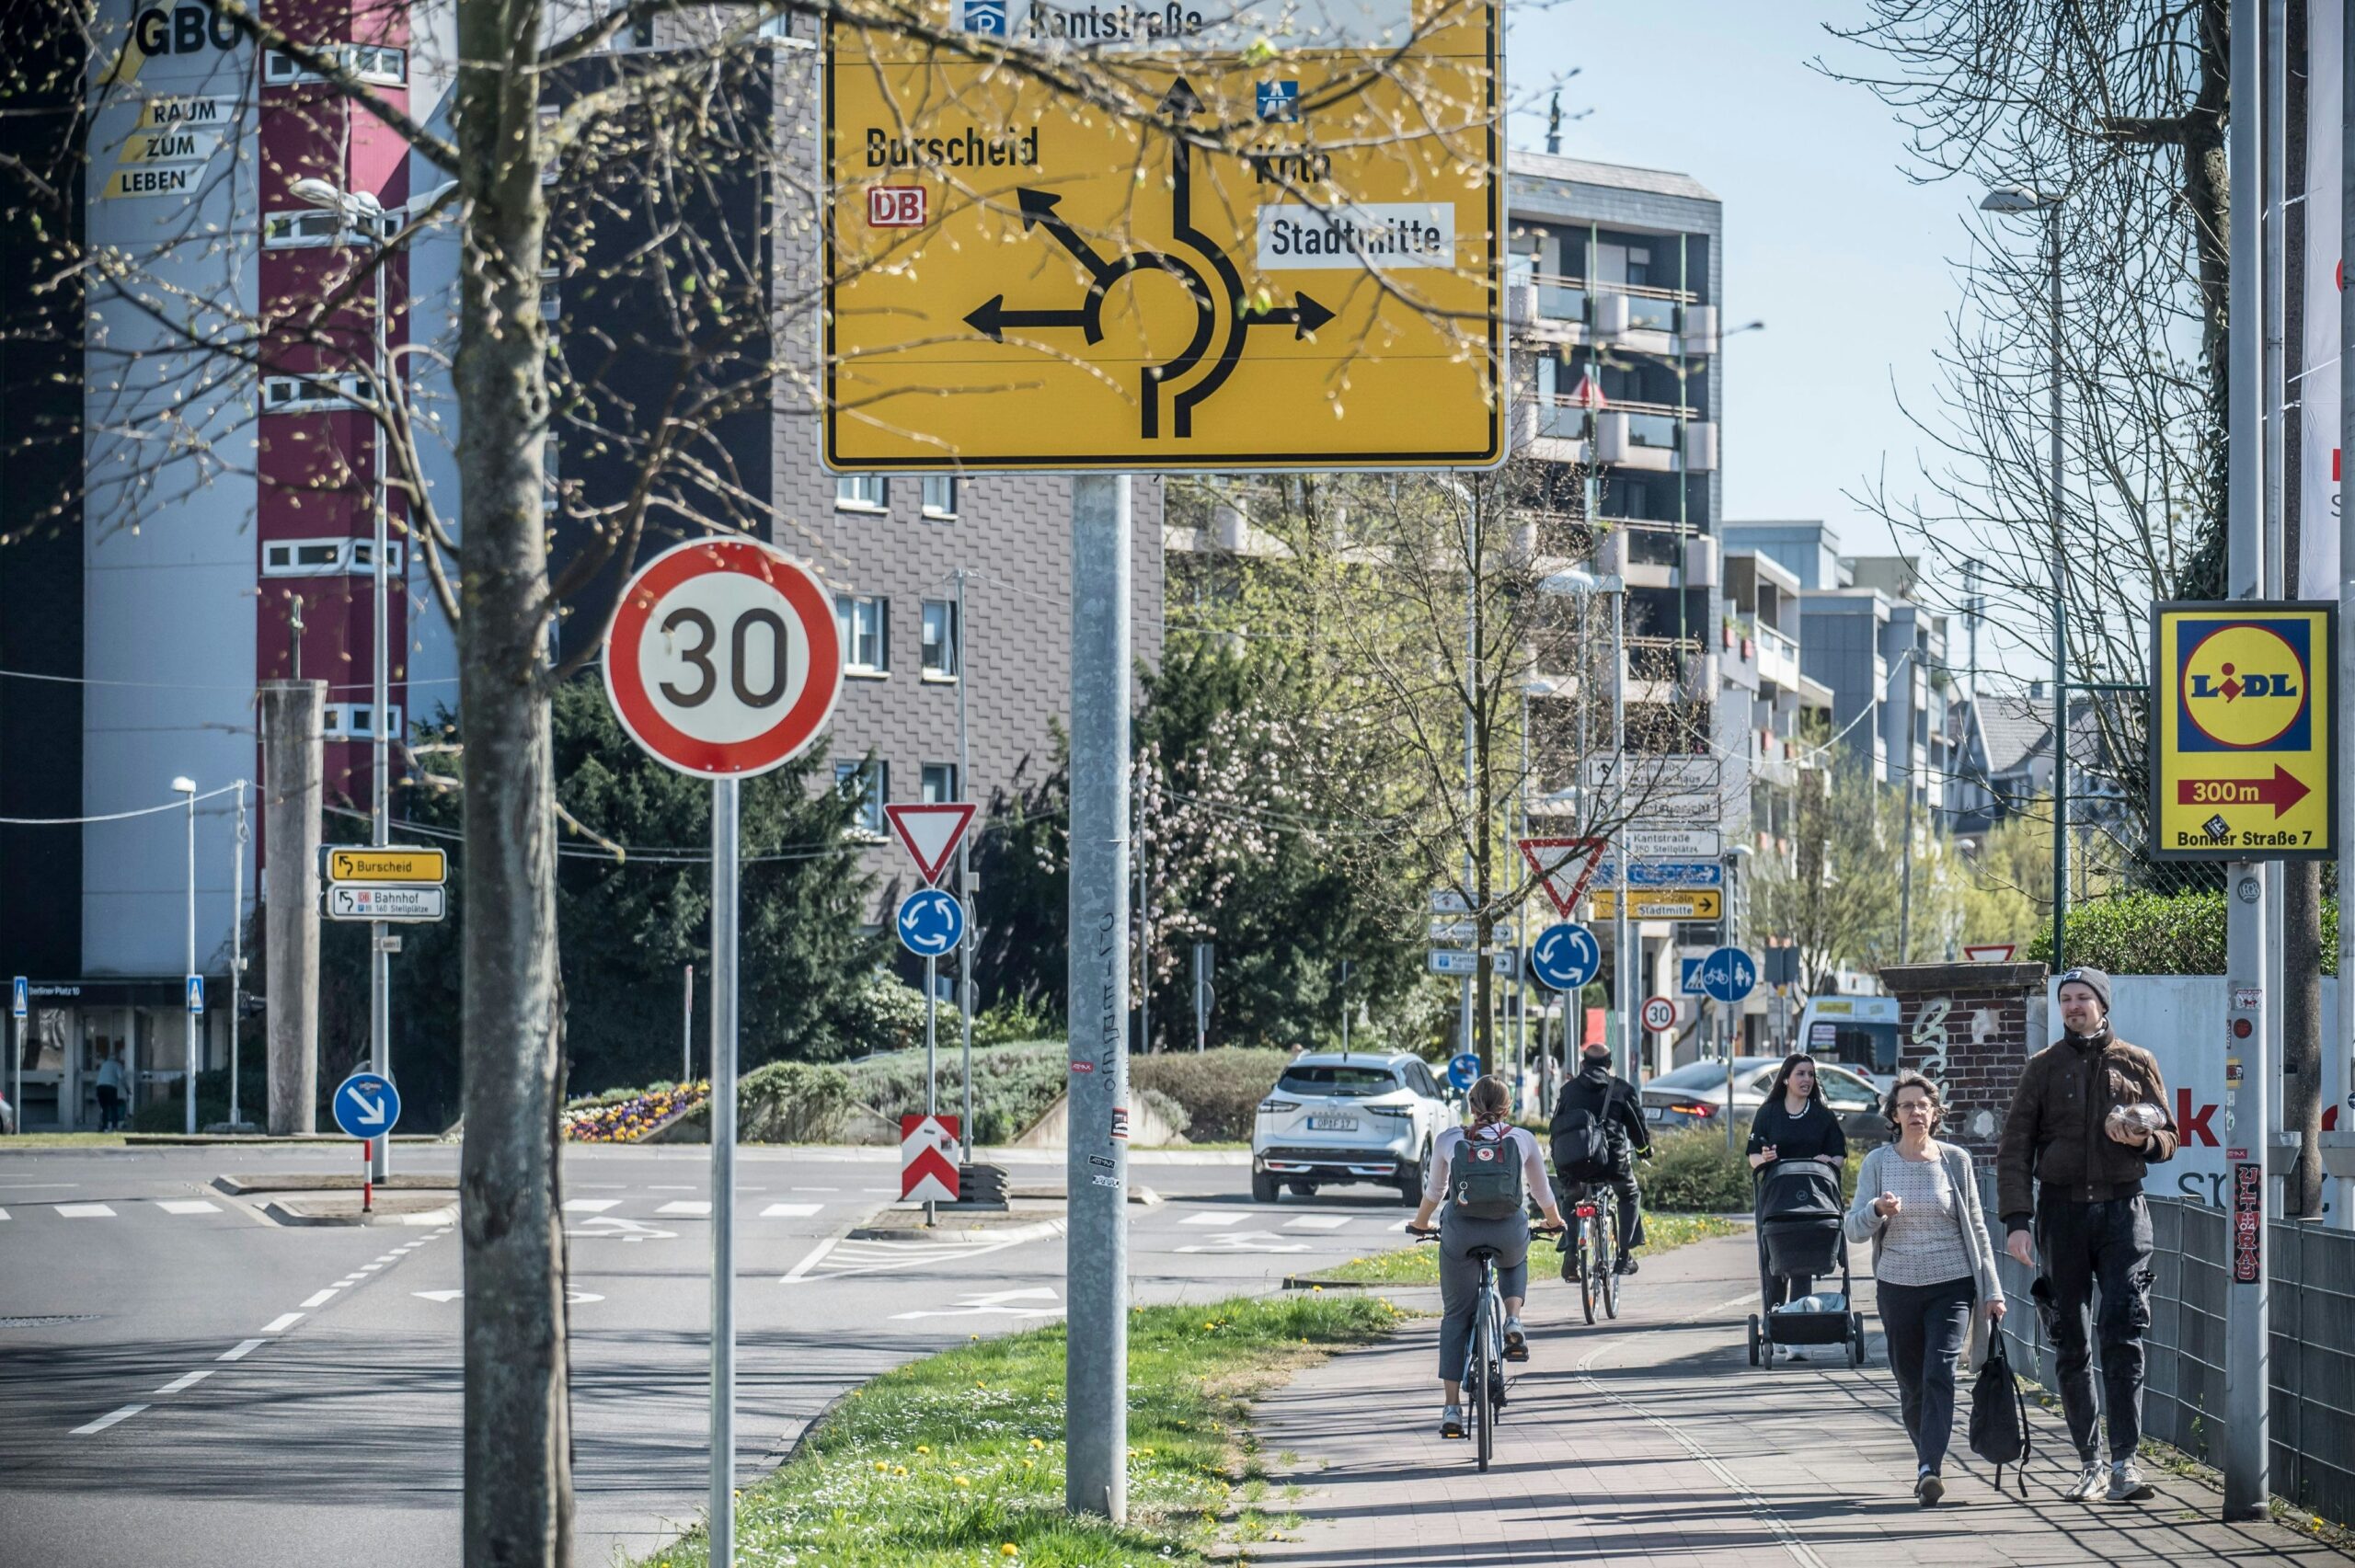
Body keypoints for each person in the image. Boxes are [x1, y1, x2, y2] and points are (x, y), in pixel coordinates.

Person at [1995, 966, 2177, 1504]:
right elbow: (2014, 1150)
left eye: (2083, 998)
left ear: (2103, 1003)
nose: (2074, 1007)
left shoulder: (2137, 1062)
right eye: (2066, 999)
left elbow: (2170, 1134)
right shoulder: (2042, 1069)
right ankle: (2090, 1463)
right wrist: (2016, 1223)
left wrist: (2144, 1139)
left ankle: (2126, 1463)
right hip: (2061, 1215)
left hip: (2125, 1213)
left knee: (2122, 1333)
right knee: (2070, 1342)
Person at [1844, 1071, 2005, 1507]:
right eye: (1906, 1106)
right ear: (1893, 1116)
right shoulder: (1878, 1163)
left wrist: (1991, 1289)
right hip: (1897, 1286)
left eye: (1922, 1105)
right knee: (1911, 1383)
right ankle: (1925, 1461)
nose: (1915, 1112)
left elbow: (1976, 1227)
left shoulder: (1955, 1160)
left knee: (1940, 1373)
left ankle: (1929, 1468)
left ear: (1935, 1113)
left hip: (1951, 1285)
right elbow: (1853, 1229)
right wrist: (1877, 1210)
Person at [1408, 1074, 1567, 1439]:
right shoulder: (1522, 1139)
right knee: (1515, 1256)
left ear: (1470, 1106)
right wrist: (1555, 1223)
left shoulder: (1451, 1139)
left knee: (1455, 1317)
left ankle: (1451, 1408)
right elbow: (1542, 1193)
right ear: (1507, 1107)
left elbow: (1435, 1191)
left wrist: (1420, 1224)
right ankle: (1512, 1320)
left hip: (1461, 1233)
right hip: (1506, 1230)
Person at [1748, 1052, 1850, 1350]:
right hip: (1777, 1198)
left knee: (1803, 1262)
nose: (1807, 1080)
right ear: (1785, 1079)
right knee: (1775, 1264)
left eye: (1810, 1074)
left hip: (1814, 1198)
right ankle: (1778, 1321)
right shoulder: (1768, 1113)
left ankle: (1797, 1337)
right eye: (1801, 1074)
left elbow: (1839, 1157)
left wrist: (1827, 1160)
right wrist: (1763, 1159)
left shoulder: (1822, 1115)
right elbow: (1753, 1154)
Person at [1550, 1041, 1650, 1275]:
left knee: (1571, 1199)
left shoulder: (1569, 1090)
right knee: (1629, 1194)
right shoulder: (1622, 1089)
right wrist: (1644, 1149)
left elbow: (1556, 1125)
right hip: (1612, 1163)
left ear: (1583, 1064)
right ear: (1609, 1064)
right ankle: (1624, 1256)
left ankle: (1571, 1254)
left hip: (1575, 1163)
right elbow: (1637, 1128)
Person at [95, 1047, 127, 1132]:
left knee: (104, 1108)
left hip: (100, 1087)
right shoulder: (117, 1065)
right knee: (113, 1108)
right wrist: (127, 1089)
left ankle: (104, 1127)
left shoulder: (104, 1064)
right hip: (110, 1087)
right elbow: (121, 1078)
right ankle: (114, 1127)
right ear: (116, 1058)